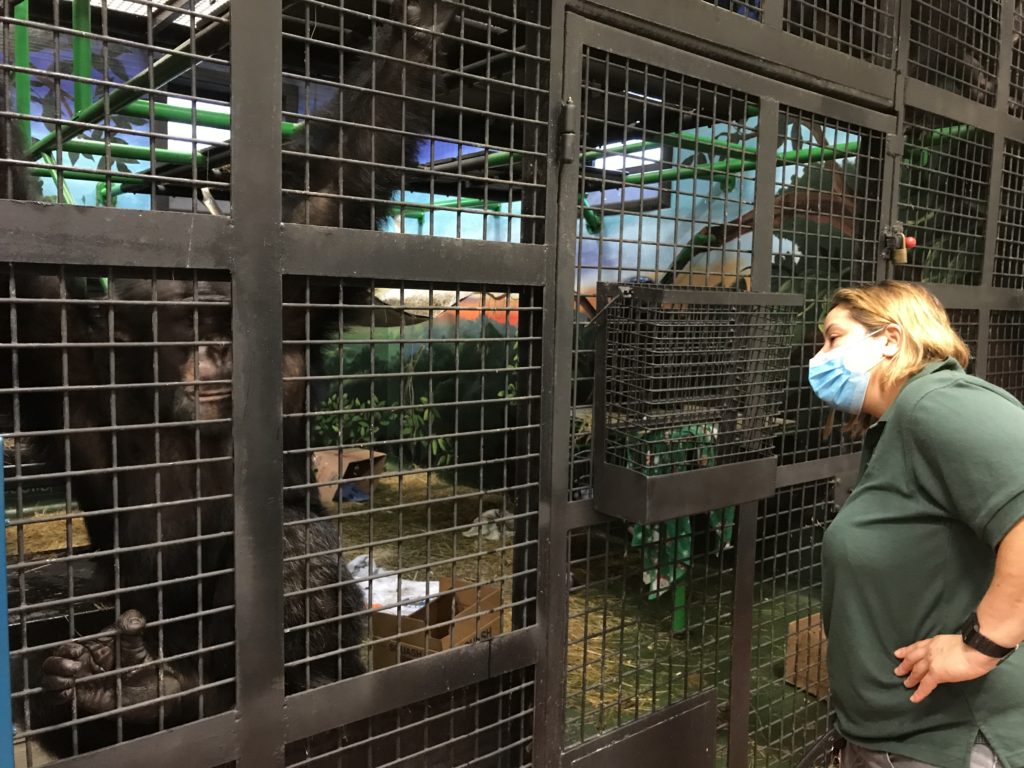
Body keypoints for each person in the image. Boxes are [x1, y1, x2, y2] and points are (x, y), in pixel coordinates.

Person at [807, 281, 1024, 768]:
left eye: (833, 338)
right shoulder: (895, 427)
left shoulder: (941, 403)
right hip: (891, 738)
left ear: (890, 338)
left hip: (946, 743)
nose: (820, 357)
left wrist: (979, 648)